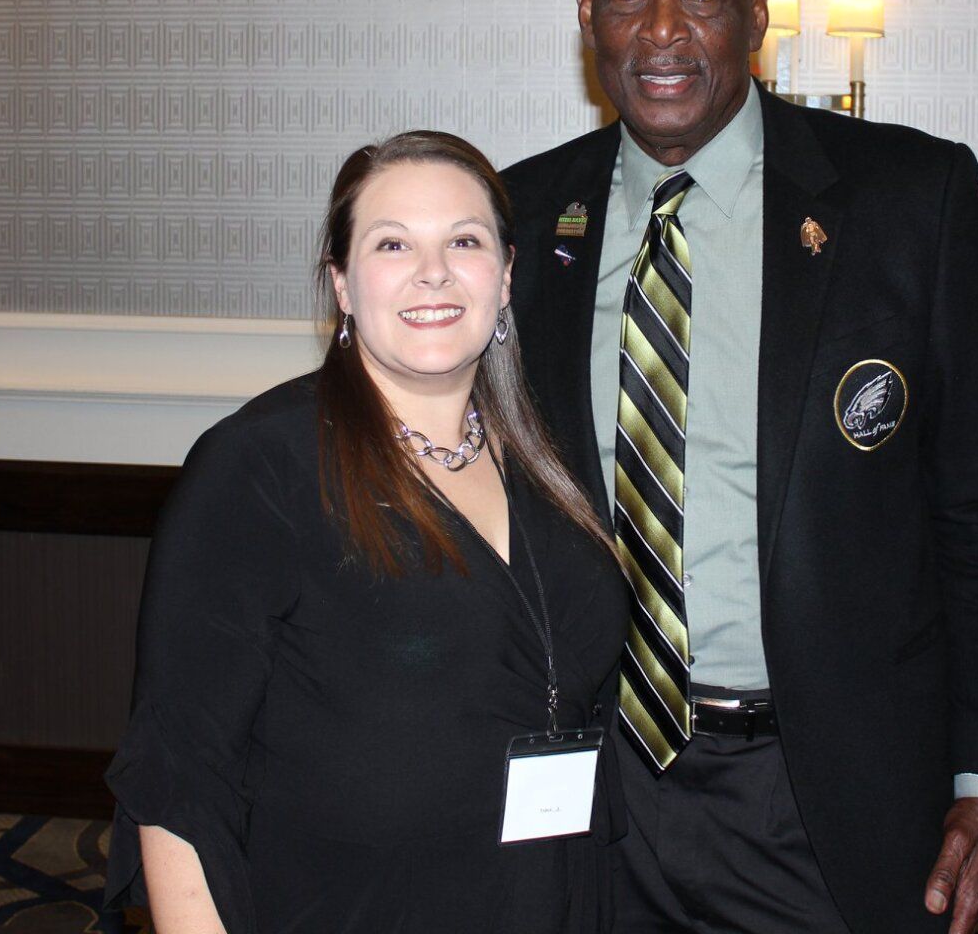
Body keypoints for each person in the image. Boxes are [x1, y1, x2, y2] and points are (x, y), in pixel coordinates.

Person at [502, 0, 978, 933]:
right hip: (590, 780)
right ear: (585, 10)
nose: (661, 31)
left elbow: (977, 511)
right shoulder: (517, 218)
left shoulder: (908, 203)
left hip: (811, 787)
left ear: (756, 12)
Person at [103, 131, 629, 933]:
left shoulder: (546, 459)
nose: (434, 273)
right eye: (393, 244)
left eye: (465, 240)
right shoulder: (259, 467)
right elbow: (181, 774)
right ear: (343, 284)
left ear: (507, 274)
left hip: (547, 895)